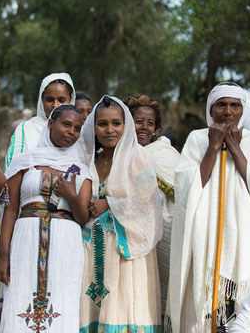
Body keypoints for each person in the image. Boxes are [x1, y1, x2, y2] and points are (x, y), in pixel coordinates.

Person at [167, 82, 250, 332]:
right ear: (211, 110)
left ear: (243, 110)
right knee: (203, 299)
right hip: (205, 233)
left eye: (235, 106)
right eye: (221, 105)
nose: (228, 112)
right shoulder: (197, 140)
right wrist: (213, 147)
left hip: (244, 235)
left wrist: (234, 147)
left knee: (239, 307)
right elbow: (187, 188)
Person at [0, 104, 92, 332]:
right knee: (20, 302)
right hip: (25, 241)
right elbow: (11, 210)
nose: (71, 132)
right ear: (50, 123)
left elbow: (82, 217)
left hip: (66, 245)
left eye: (77, 128)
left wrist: (71, 195)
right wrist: (3, 256)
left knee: (62, 305)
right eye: (66, 124)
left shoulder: (82, 169)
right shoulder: (24, 162)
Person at [78, 95, 163, 332]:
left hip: (125, 253)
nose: (109, 130)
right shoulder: (89, 161)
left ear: (125, 126)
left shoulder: (138, 157)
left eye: (116, 123)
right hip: (92, 248)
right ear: (93, 127)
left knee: (123, 306)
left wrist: (110, 204)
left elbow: (148, 205)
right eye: (102, 124)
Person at [125, 94, 180, 323]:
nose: (144, 128)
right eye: (138, 121)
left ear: (157, 128)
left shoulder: (164, 154)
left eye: (150, 123)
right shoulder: (118, 154)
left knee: (163, 288)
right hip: (129, 235)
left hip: (165, 234)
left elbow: (182, 194)